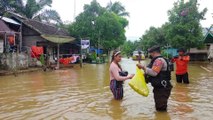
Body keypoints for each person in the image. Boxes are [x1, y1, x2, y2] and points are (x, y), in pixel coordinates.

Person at [137, 45, 173, 111]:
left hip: (162, 88)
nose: (149, 54)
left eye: (150, 53)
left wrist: (143, 67)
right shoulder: (157, 60)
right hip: (160, 87)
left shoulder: (159, 60)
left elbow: (154, 73)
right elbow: (149, 71)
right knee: (159, 106)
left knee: (161, 108)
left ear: (153, 52)